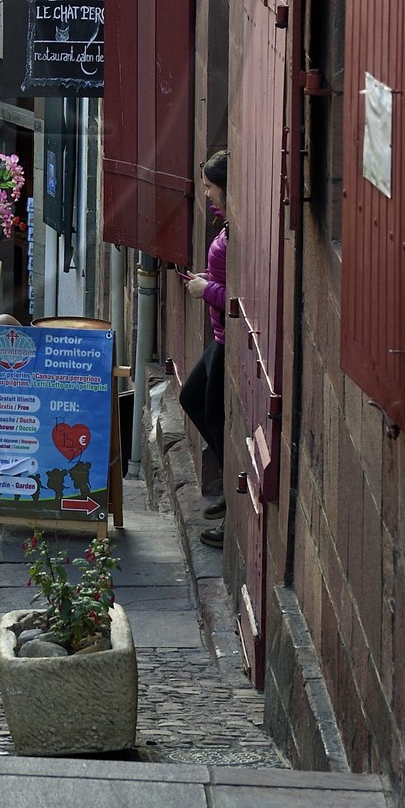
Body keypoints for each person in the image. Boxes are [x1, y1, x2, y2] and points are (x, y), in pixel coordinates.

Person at [181, 151, 229, 548]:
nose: (208, 196)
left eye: (211, 188)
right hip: (218, 339)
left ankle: (233, 509)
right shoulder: (227, 224)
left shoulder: (238, 231)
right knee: (191, 397)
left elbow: (241, 294)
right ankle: (230, 489)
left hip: (229, 345)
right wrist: (205, 280)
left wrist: (205, 289)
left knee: (217, 419)